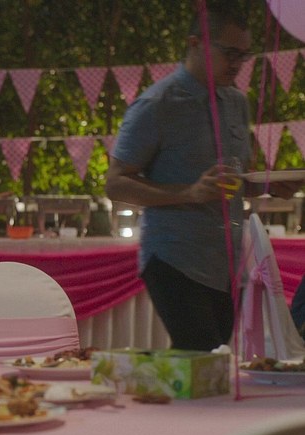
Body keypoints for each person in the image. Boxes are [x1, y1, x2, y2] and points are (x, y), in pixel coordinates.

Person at [105, 7, 301, 351]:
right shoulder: (156, 104)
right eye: (230, 53)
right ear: (195, 44)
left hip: (227, 263)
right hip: (174, 258)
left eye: (244, 55)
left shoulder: (236, 102)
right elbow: (116, 183)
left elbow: (236, 180)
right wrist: (190, 192)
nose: (238, 64)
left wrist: (268, 185)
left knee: (212, 362)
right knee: (203, 356)